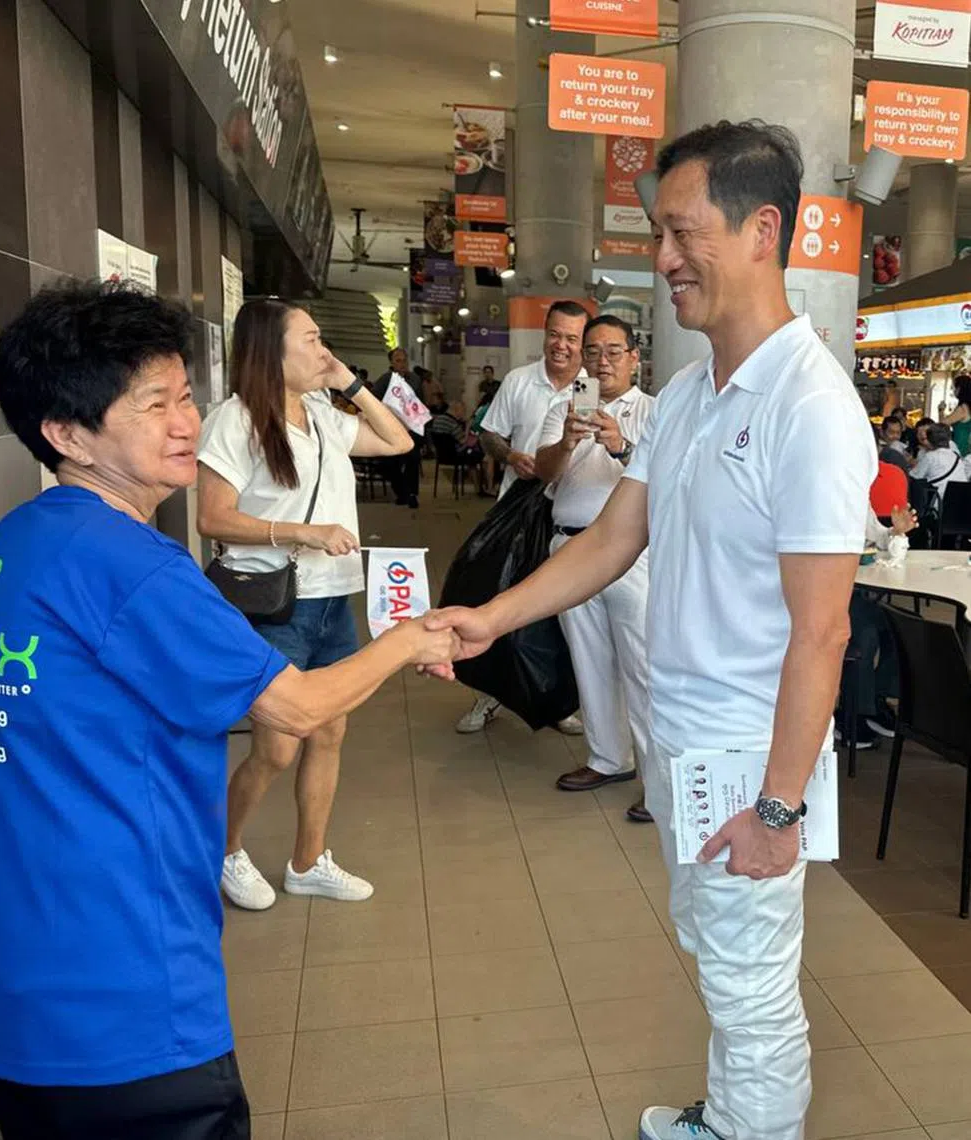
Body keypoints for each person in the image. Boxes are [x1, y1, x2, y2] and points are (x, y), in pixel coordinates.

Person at [429, 120, 875, 1140]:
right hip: (679, 737)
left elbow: (823, 635)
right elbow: (611, 540)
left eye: (680, 232)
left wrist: (779, 808)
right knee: (720, 957)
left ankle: (751, 1128)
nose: (661, 258)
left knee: (751, 980)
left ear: (762, 229)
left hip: (745, 757)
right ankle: (727, 1115)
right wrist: (488, 618)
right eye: (655, 232)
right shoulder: (683, 395)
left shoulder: (811, 406)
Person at [0, 281, 457, 1140]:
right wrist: (412, 640)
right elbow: (293, 708)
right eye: (154, 405)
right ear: (66, 433)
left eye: (185, 395)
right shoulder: (133, 566)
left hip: (14, 980)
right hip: (123, 993)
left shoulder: (21, 539)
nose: (185, 422)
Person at [197, 299, 415, 911]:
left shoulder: (321, 414)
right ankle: (226, 849)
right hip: (277, 606)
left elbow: (398, 441)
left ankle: (307, 860)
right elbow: (211, 517)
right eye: (313, 340)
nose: (324, 350)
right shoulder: (234, 421)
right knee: (277, 745)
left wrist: (349, 382)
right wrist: (301, 532)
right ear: (272, 352)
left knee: (330, 732)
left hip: (331, 600)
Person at [535, 315, 655, 824]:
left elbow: (669, 484)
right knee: (589, 660)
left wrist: (620, 444)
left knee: (644, 666)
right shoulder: (561, 407)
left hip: (631, 554)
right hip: (568, 550)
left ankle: (660, 782)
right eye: (592, 351)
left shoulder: (655, 411)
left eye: (613, 351)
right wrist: (565, 441)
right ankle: (608, 758)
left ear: (634, 358)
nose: (601, 361)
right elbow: (541, 476)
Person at [455, 300, 591, 735]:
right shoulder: (518, 381)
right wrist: (510, 455)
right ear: (544, 335)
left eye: (572, 338)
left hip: (567, 514)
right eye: (555, 335)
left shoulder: (592, 389)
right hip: (516, 513)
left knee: (561, 614)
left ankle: (558, 702)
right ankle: (489, 694)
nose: (562, 346)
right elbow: (488, 433)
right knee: (502, 604)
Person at [842, 502, 918, 748]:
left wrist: (895, 532)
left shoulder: (856, 494)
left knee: (902, 625)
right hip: (818, 590)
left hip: (854, 585)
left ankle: (877, 698)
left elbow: (877, 538)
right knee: (865, 631)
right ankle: (851, 713)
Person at [373, 346, 423, 508]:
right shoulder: (385, 380)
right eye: (398, 361)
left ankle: (412, 494)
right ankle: (402, 492)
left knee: (412, 460)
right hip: (392, 427)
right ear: (392, 363)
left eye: (404, 360)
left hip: (412, 427)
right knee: (390, 463)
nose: (402, 364)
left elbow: (421, 402)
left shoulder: (414, 379)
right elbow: (374, 400)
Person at [911, 422, 968, 501]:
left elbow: (914, 476)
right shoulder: (956, 455)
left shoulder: (930, 456)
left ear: (930, 440)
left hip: (940, 504)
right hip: (961, 500)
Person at [942, 374, 971, 456]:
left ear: (960, 389)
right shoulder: (968, 407)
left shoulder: (963, 408)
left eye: (954, 387)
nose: (953, 390)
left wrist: (941, 411)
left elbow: (943, 424)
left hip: (960, 446)